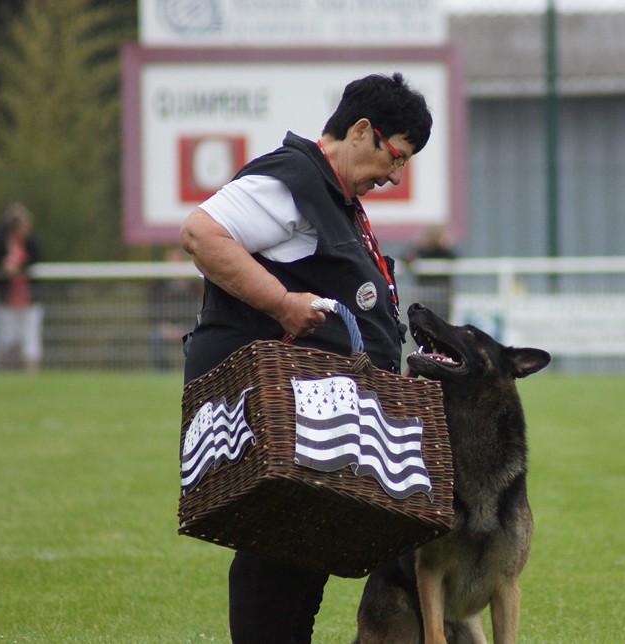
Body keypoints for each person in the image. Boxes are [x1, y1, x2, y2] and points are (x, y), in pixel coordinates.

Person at [179, 72, 432, 643]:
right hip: (278, 413)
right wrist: (283, 302)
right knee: (278, 558)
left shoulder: (332, 196)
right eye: (397, 157)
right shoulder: (293, 178)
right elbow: (201, 233)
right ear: (362, 131)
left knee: (298, 556)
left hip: (314, 416)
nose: (396, 175)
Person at [0, 202, 43, 374]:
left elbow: (36, 260)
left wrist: (20, 268)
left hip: (28, 299)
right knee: (6, 339)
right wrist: (3, 266)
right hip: (6, 299)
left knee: (30, 338)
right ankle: (5, 374)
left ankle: (31, 375)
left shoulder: (31, 242)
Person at [146, 247, 202, 370]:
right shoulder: (159, 288)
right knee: (156, 338)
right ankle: (161, 373)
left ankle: (193, 372)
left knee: (198, 340)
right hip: (166, 328)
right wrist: (165, 327)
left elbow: (197, 311)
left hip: (187, 328)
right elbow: (153, 312)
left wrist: (184, 328)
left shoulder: (193, 289)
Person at [403, 224, 457, 319]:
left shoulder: (444, 252)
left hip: (441, 298)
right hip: (428, 296)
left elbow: (453, 257)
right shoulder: (422, 251)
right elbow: (405, 257)